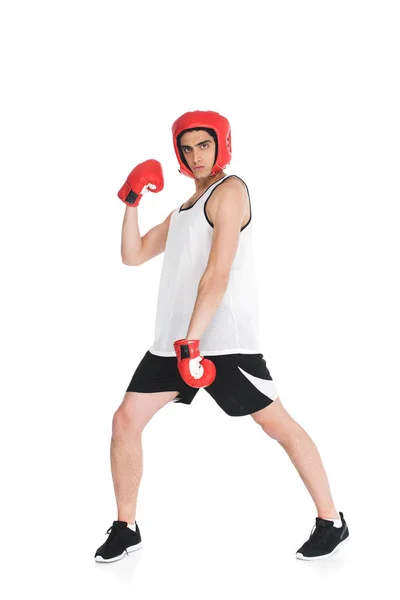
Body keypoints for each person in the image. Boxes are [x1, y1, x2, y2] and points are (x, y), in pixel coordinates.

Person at [94, 110, 350, 563]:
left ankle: (331, 520)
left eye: (204, 145)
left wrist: (193, 342)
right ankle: (126, 526)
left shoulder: (230, 192)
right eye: (187, 148)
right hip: (173, 341)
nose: (195, 156)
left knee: (278, 426)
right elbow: (132, 255)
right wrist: (131, 200)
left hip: (222, 342)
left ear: (222, 145)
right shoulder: (185, 209)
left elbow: (218, 273)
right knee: (125, 421)